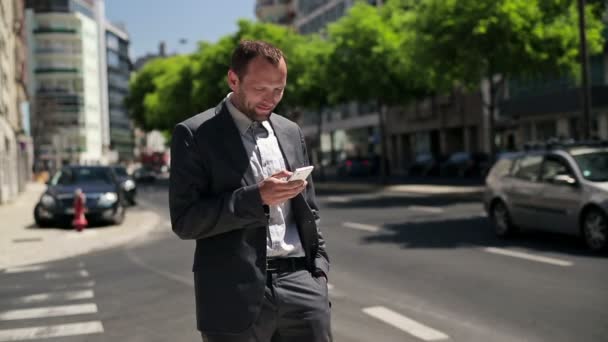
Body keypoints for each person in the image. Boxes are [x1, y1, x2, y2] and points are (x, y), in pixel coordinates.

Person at [169, 40, 332, 342]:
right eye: (260, 89)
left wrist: (318, 271)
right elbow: (185, 221)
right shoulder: (195, 134)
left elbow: (310, 210)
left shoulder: (290, 131)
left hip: (302, 288)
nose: (270, 99)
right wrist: (256, 198)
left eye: (279, 90)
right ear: (234, 79)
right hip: (232, 295)